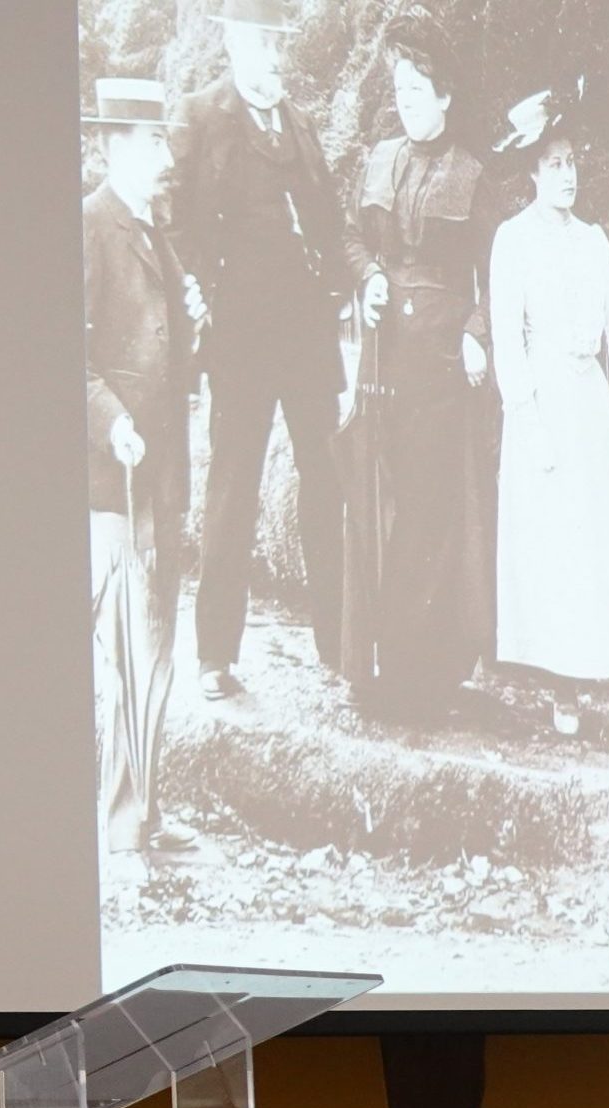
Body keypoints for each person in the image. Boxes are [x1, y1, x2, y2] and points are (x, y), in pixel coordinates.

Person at [172, 0, 349, 700]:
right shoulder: (201, 115)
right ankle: (216, 655)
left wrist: (343, 289)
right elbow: (173, 217)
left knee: (325, 483)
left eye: (280, 48)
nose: (272, 61)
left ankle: (338, 645)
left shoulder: (301, 124)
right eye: (260, 46)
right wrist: (199, 290)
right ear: (235, 44)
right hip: (240, 339)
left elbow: (330, 224)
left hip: (305, 338)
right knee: (233, 490)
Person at [485, 90, 609, 742]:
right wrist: (526, 418)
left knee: (608, 535)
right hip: (542, 401)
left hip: (592, 397)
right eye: (553, 163)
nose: (566, 175)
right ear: (532, 172)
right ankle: (561, 683)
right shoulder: (511, 241)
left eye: (571, 162)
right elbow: (507, 337)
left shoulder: (593, 241)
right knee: (556, 541)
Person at [337, 12, 493, 720]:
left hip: (441, 366)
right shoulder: (378, 158)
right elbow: (351, 237)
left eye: (419, 86)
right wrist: (368, 274)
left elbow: (496, 271)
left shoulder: (473, 174)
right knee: (383, 502)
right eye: (400, 85)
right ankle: (376, 663)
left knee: (433, 510)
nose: (406, 96)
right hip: (383, 360)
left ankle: (427, 673)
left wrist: (476, 329)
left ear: (445, 96)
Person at [84, 77, 202, 857]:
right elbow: (67, 353)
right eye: (152, 139)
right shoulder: (89, 226)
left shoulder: (153, 229)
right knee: (120, 650)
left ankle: (144, 814)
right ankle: (118, 817)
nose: (165, 154)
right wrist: (114, 422)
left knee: (154, 647)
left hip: (158, 475)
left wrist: (194, 314)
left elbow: (168, 353)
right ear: (117, 144)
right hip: (111, 478)